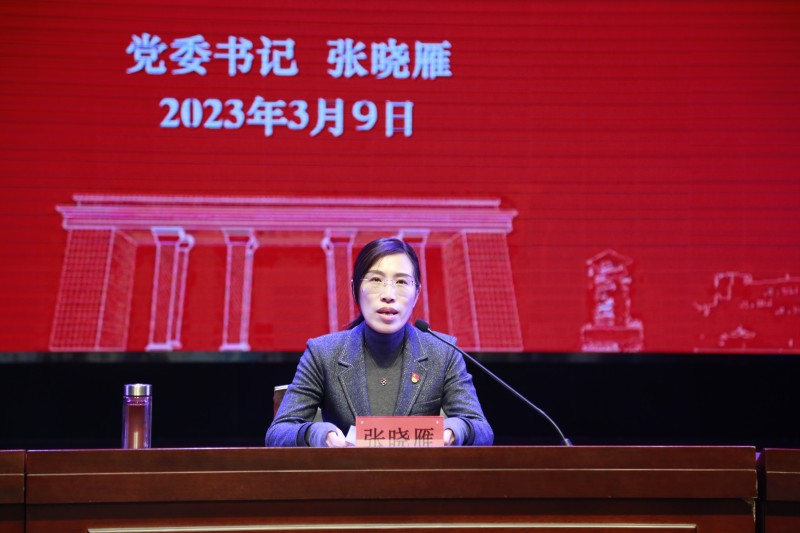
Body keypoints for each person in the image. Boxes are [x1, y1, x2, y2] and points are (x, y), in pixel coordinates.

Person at [265, 237, 493, 447]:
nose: (388, 294)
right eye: (375, 280)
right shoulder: (323, 353)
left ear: (416, 294)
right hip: (349, 475)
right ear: (355, 289)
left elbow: (481, 428)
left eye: (401, 282)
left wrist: (452, 431)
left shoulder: (443, 352)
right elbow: (278, 432)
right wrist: (319, 434)